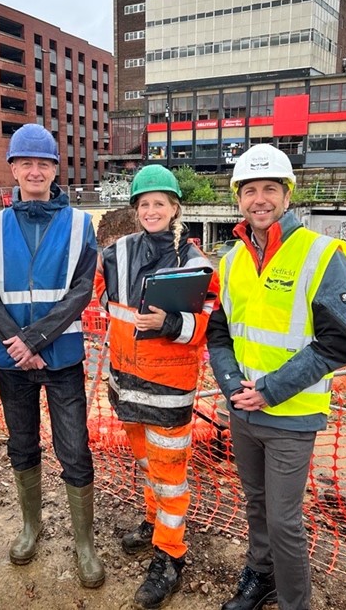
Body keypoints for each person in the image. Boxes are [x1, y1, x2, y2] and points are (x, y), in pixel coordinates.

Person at [206, 144, 346, 610]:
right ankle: (262, 575)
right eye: (249, 190)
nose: (260, 199)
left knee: (285, 519)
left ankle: (296, 602)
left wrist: (269, 389)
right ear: (239, 198)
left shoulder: (321, 253)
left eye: (269, 188)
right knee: (255, 502)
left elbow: (339, 343)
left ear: (287, 194)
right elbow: (219, 333)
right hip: (244, 411)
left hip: (291, 414)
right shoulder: (231, 259)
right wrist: (233, 386)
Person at [0, 124, 104, 588]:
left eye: (43, 163)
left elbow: (81, 291)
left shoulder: (79, 225)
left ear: (54, 170)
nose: (35, 170)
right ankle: (31, 526)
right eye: (25, 163)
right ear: (13, 168)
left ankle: (83, 542)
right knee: (22, 444)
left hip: (62, 358)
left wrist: (35, 340)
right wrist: (18, 342)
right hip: (12, 362)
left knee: (74, 448)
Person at [94, 164, 218, 609]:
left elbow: (209, 324)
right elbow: (97, 300)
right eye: (144, 204)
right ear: (135, 210)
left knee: (170, 478)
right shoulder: (115, 254)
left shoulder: (196, 264)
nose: (151, 211)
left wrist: (172, 323)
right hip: (126, 388)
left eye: (159, 204)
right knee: (147, 467)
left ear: (175, 208)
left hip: (168, 393)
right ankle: (152, 523)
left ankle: (170, 555)